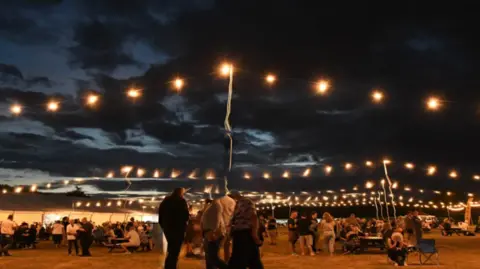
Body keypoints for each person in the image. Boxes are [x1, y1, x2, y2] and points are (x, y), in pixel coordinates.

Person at [228, 191, 263, 269]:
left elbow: (253, 217)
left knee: (243, 260)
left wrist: (254, 235)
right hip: (239, 234)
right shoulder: (237, 204)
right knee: (251, 260)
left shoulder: (246, 202)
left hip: (246, 234)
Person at [158, 187, 190, 269]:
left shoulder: (165, 201)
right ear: (180, 193)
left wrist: (164, 226)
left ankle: (169, 266)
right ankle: (171, 267)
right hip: (178, 229)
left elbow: (160, 215)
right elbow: (186, 216)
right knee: (174, 251)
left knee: (171, 249)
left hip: (168, 229)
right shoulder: (181, 201)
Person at [201, 198, 228, 269]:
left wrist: (212, 233)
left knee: (213, 259)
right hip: (210, 233)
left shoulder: (216, 205)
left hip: (212, 234)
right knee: (209, 259)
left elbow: (216, 220)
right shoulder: (212, 205)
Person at [217, 192, 237, 262]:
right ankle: (227, 262)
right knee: (227, 246)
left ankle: (218, 263)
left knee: (217, 246)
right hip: (228, 225)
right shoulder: (232, 201)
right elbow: (234, 214)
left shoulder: (217, 199)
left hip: (219, 225)